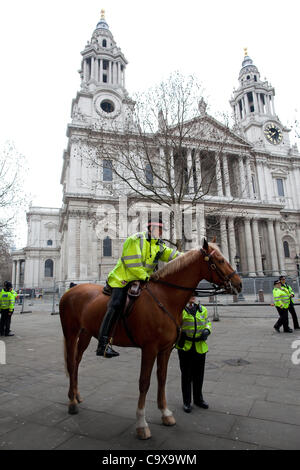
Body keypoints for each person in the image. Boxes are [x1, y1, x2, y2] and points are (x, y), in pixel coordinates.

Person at [96, 220, 181, 358]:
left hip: (141, 279)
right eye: (157, 230)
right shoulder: (134, 240)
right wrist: (147, 277)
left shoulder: (158, 245)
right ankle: (103, 344)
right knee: (116, 304)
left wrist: (191, 256)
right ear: (150, 229)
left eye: (161, 231)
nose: (160, 233)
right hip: (123, 278)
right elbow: (133, 264)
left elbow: (172, 255)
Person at [176, 295, 211, 413]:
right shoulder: (179, 310)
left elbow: (208, 322)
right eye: (189, 295)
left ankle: (198, 399)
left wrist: (207, 330)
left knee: (199, 376)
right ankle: (187, 401)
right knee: (186, 376)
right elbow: (174, 325)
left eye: (193, 295)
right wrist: (180, 334)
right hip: (185, 347)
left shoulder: (203, 309)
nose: (191, 297)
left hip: (200, 347)